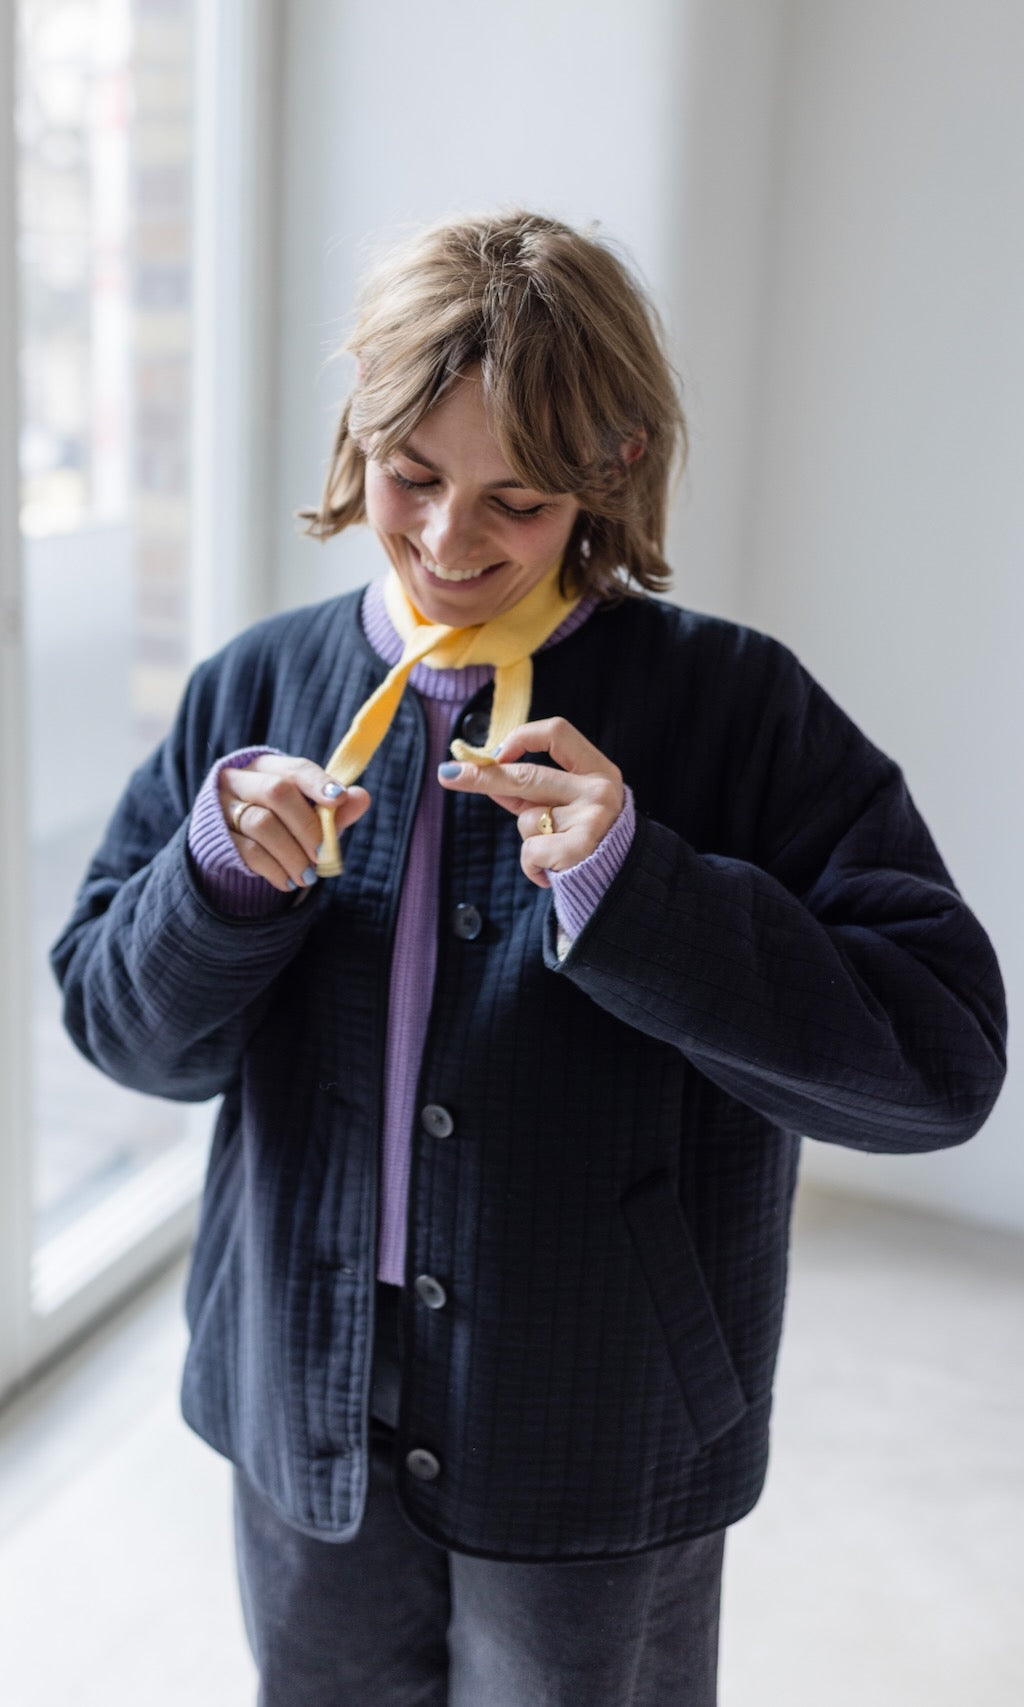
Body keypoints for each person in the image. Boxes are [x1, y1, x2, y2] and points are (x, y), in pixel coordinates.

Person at [51, 210, 1007, 1706]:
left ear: (611, 471)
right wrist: (219, 881)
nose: (445, 542)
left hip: (601, 1431)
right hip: (295, 1407)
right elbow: (122, 1038)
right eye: (412, 477)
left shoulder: (742, 709)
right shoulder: (250, 687)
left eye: (515, 501)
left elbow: (936, 1072)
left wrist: (644, 888)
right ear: (358, 433)